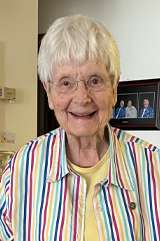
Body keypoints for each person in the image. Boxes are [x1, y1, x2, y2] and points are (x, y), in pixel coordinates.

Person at [0, 14, 160, 241]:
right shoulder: (20, 170)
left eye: (95, 80)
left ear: (114, 88)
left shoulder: (153, 167)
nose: (82, 98)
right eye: (66, 83)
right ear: (49, 92)